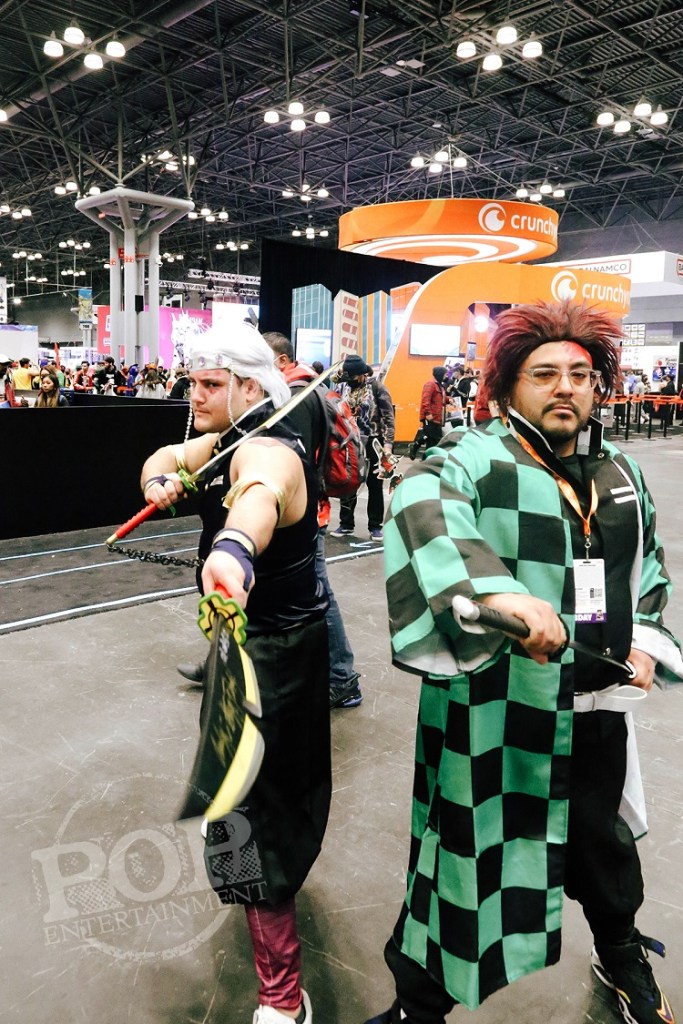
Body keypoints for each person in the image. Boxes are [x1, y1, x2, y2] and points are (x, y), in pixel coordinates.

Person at [368, 300, 682, 1024]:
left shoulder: (621, 472)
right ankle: (418, 1005)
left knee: (604, 856)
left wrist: (643, 641)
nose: (564, 386)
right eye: (543, 374)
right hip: (494, 713)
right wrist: (497, 594)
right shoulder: (476, 458)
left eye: (579, 373)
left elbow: (650, 569)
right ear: (508, 385)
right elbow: (419, 496)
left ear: (599, 386)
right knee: (462, 857)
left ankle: (621, 953)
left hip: (596, 710)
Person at [140, 323, 329, 1024]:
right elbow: (166, 455)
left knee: (257, 817)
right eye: (192, 382)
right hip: (240, 642)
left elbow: (259, 493)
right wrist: (162, 481)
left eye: (210, 384)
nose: (195, 395)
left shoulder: (267, 447)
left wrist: (234, 550)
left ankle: (283, 997)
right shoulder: (225, 435)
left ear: (250, 386)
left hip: (276, 653)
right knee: (242, 795)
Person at [264, 330, 363, 709]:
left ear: (282, 361)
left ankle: (342, 678)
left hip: (305, 515)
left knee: (320, 596)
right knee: (308, 594)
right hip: (306, 511)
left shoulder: (297, 397)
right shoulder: (306, 390)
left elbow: (296, 463)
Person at [332, 354, 395, 541]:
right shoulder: (342, 387)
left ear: (362, 375)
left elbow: (388, 419)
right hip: (349, 442)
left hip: (374, 443)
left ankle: (375, 526)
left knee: (374, 485)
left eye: (353, 377)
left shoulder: (376, 388)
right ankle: (346, 524)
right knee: (347, 482)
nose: (350, 380)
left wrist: (388, 447)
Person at [410, 366, 447, 459]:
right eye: (445, 374)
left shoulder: (440, 386)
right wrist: (428, 413)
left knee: (433, 438)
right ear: (440, 374)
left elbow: (440, 398)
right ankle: (418, 450)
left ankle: (421, 453)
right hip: (430, 417)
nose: (446, 376)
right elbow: (425, 400)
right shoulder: (430, 384)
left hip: (437, 418)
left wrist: (448, 400)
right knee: (430, 438)